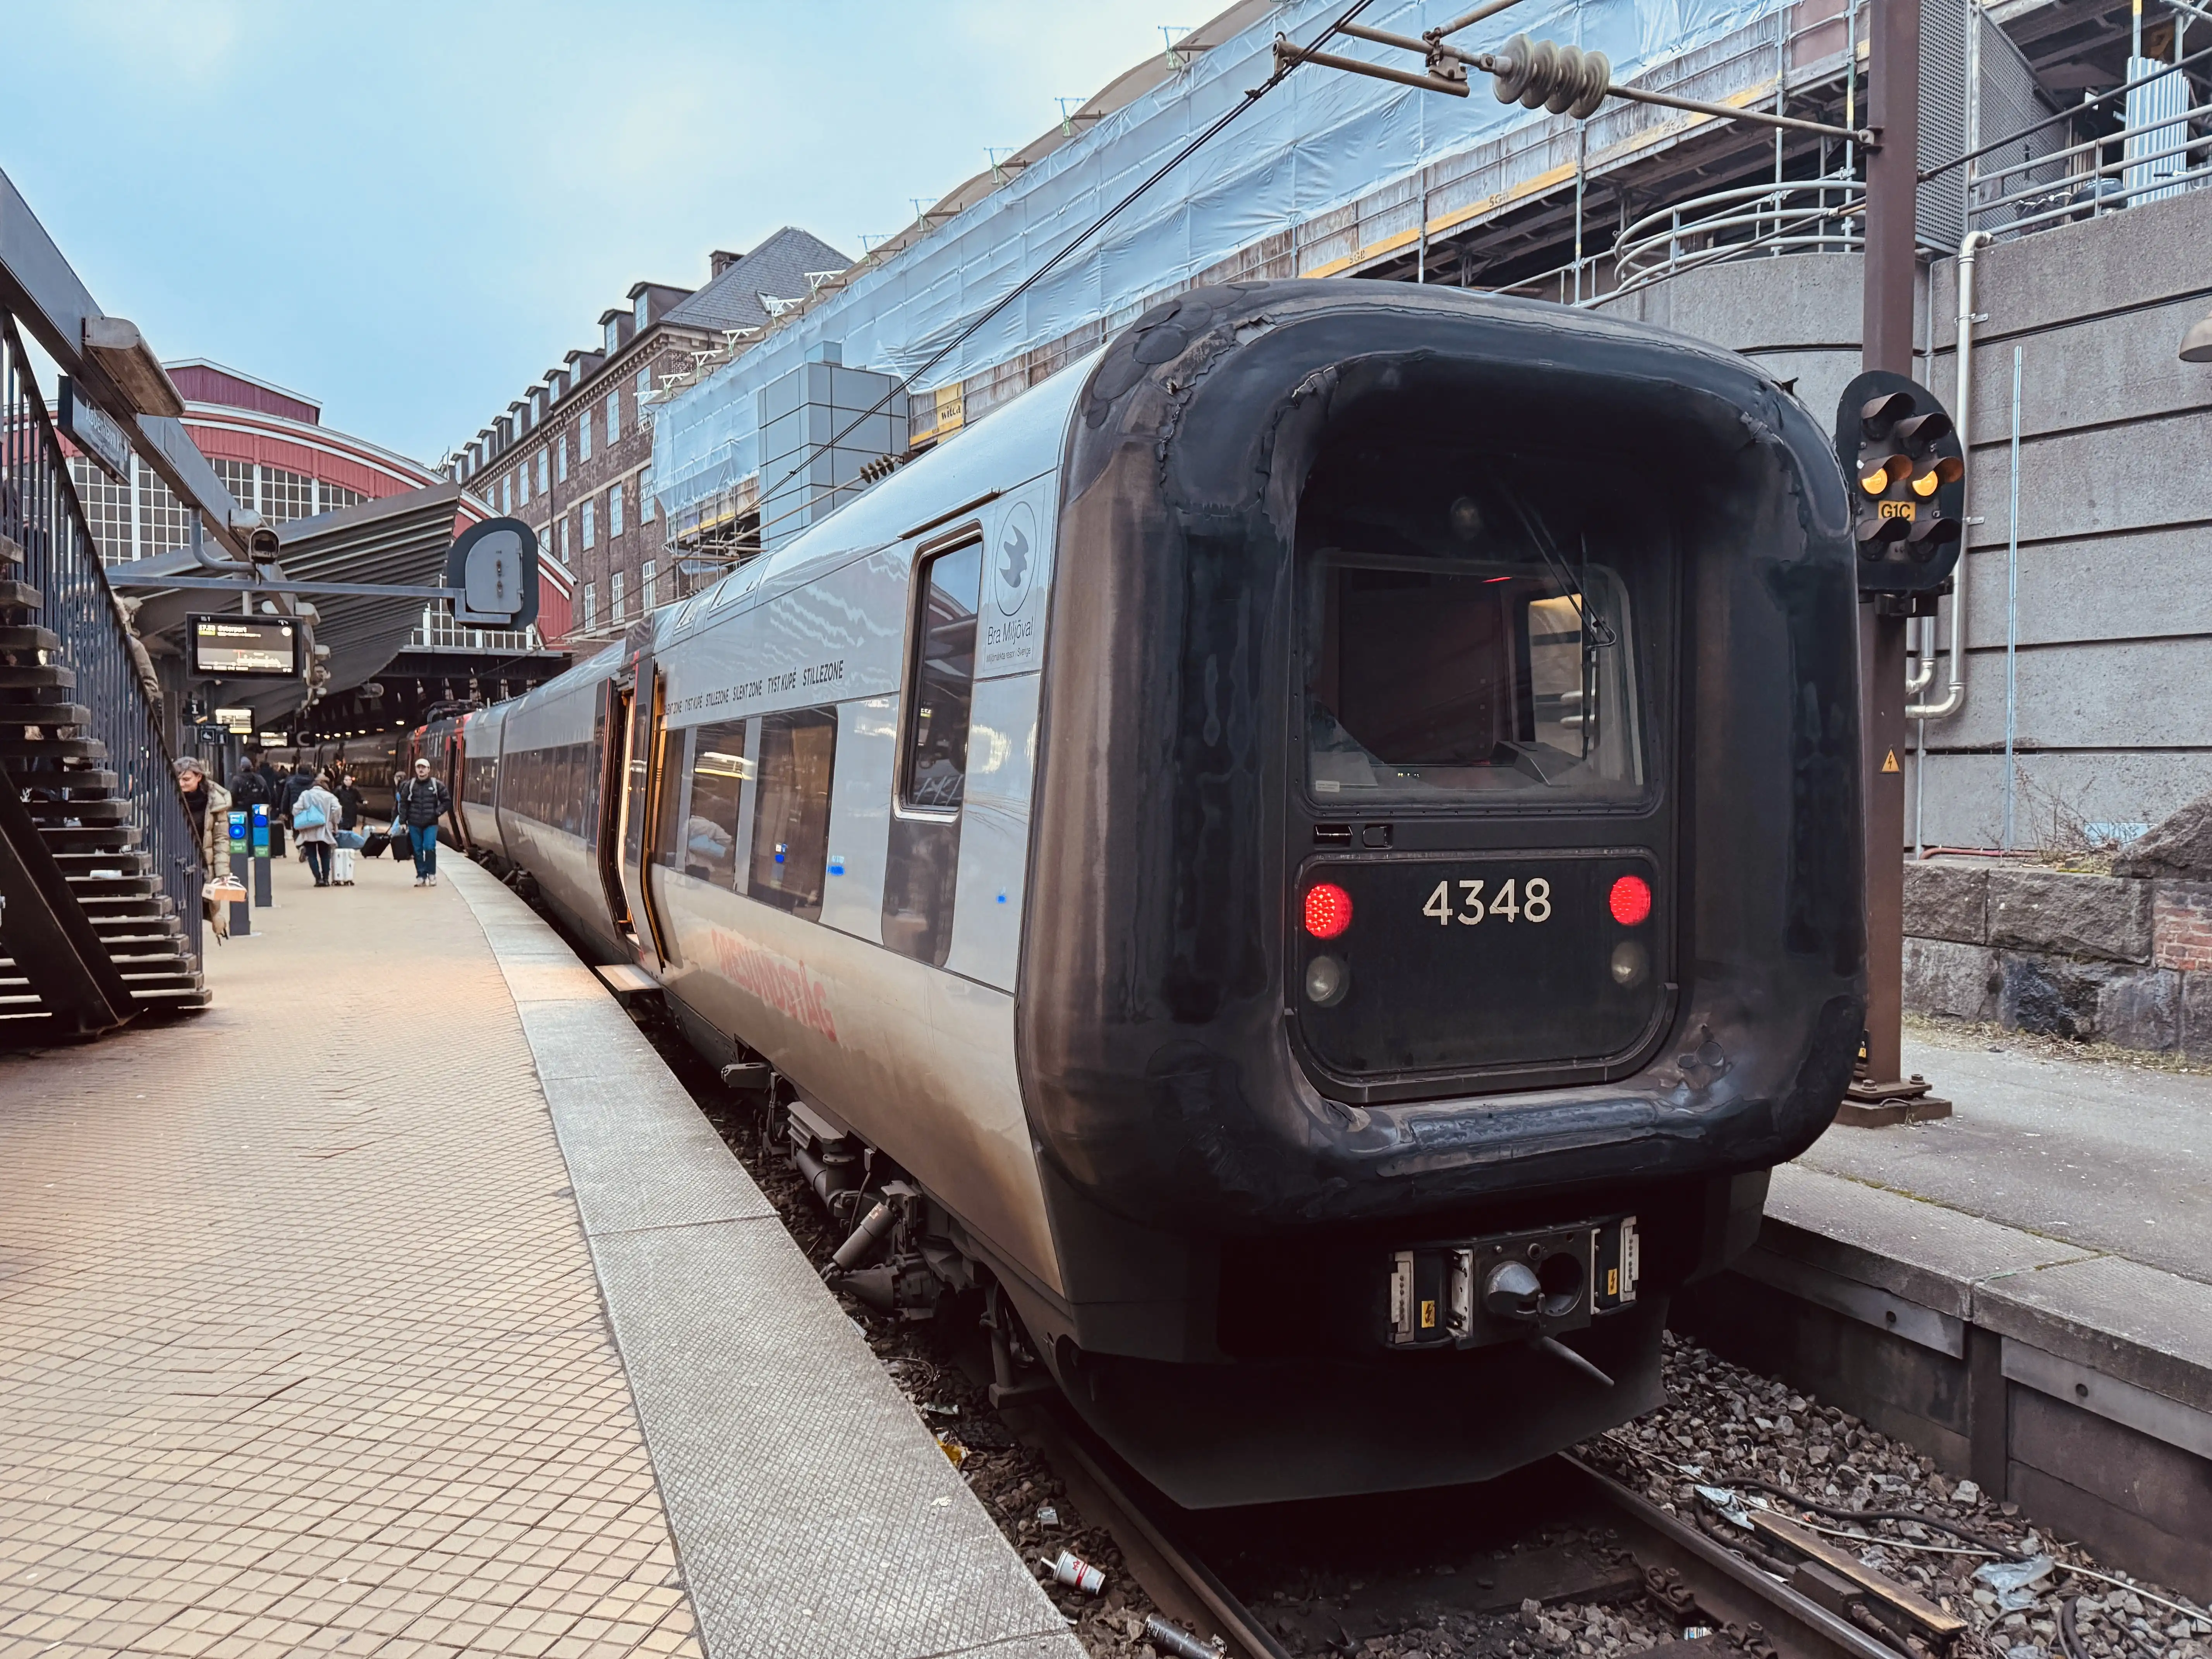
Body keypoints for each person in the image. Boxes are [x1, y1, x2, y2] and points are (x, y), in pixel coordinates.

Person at [177, 756, 234, 940]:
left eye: (187, 779)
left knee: (196, 911)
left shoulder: (215, 802)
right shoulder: (166, 797)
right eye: (178, 779)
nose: (181, 784)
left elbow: (221, 839)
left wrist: (222, 872)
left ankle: (191, 948)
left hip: (202, 866)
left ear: (199, 777)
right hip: (174, 863)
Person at [396, 757, 450, 886]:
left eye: (424, 767)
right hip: (414, 823)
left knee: (430, 848)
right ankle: (421, 875)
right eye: (419, 767)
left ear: (429, 770)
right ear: (416, 769)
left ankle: (431, 873)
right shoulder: (410, 785)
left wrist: (437, 812)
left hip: (431, 823)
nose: (421, 770)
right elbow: (403, 803)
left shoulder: (437, 785)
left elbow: (447, 801)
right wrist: (403, 821)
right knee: (418, 850)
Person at [290, 769, 343, 888]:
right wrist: (334, 822)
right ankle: (326, 879)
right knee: (325, 855)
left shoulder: (306, 795)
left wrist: (304, 818)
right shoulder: (330, 796)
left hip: (309, 829)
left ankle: (318, 879)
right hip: (325, 829)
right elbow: (338, 809)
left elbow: (296, 809)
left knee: (312, 855)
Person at [331, 769, 364, 886]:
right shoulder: (339, 790)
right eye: (347, 780)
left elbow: (359, 798)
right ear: (343, 781)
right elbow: (334, 799)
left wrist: (363, 802)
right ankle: (341, 846)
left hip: (352, 812)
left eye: (350, 780)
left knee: (349, 830)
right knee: (342, 830)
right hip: (343, 813)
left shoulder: (355, 791)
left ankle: (348, 845)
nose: (349, 782)